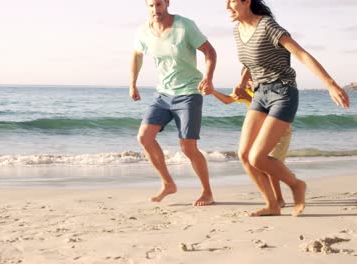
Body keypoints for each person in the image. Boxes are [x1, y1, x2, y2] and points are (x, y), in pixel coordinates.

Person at [226, 0, 350, 216]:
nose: (228, 6)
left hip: (283, 93)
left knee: (258, 157)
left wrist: (330, 84)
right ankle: (273, 205)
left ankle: (296, 185)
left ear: (247, 2)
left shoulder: (267, 26)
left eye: (232, 1)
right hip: (259, 94)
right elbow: (248, 61)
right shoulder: (238, 30)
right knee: (244, 155)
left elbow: (301, 54)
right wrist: (242, 80)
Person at [130, 0, 217, 206]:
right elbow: (136, 55)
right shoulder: (143, 31)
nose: (155, 10)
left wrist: (208, 78)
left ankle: (207, 192)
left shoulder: (185, 26)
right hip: (162, 94)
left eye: (159, 4)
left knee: (188, 147)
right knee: (144, 137)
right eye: (151, 5)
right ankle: (168, 183)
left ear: (167, 3)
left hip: (188, 92)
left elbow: (210, 52)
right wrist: (133, 83)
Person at [211, 73, 289, 208]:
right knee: (262, 164)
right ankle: (277, 195)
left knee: (270, 165)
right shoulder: (246, 89)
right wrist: (212, 91)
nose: (247, 83)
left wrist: (248, 97)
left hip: (280, 130)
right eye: (245, 80)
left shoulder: (267, 90)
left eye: (250, 79)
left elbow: (270, 108)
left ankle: (279, 198)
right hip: (262, 131)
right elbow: (227, 100)